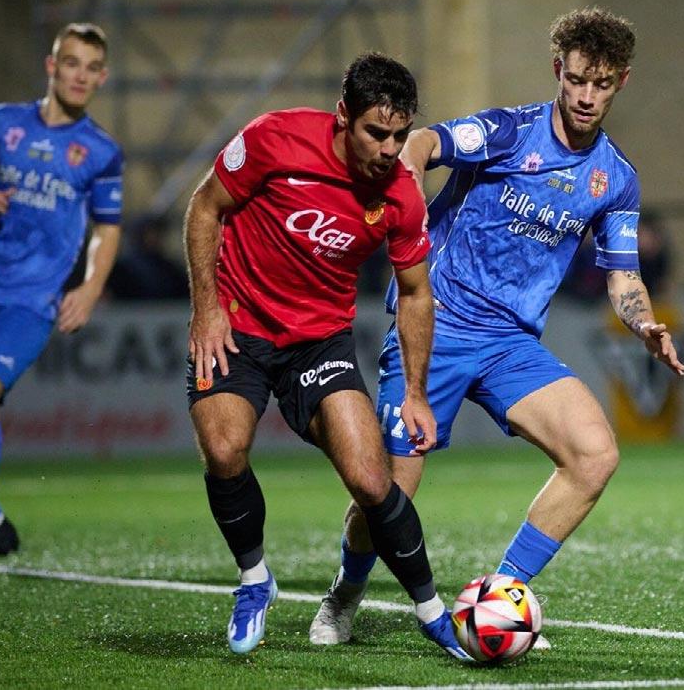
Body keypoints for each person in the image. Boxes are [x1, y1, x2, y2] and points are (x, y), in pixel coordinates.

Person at [310, 8, 684, 648]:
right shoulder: (510, 132)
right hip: (437, 325)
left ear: (620, 82)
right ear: (557, 71)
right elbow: (425, 142)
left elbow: (623, 275)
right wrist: (407, 178)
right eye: (576, 80)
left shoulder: (616, 179)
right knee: (388, 492)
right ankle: (344, 595)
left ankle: (502, 597)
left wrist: (643, 319)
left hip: (511, 344)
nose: (586, 96)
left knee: (595, 454)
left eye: (600, 84)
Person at [183, 52, 470, 660]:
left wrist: (416, 393)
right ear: (343, 115)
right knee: (225, 449)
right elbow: (205, 208)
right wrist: (206, 309)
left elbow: (416, 294)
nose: (390, 150)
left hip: (319, 341)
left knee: (371, 478)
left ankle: (432, 613)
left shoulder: (400, 195)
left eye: (400, 135)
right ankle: (254, 580)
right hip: (238, 324)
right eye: (376, 132)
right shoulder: (275, 138)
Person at [0, 22, 123, 570]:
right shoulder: (3, 122)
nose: (80, 75)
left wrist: (90, 287)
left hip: (31, 302)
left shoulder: (102, 151)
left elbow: (108, 228)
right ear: (51, 66)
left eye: (91, 68)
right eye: (71, 63)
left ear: (101, 78)